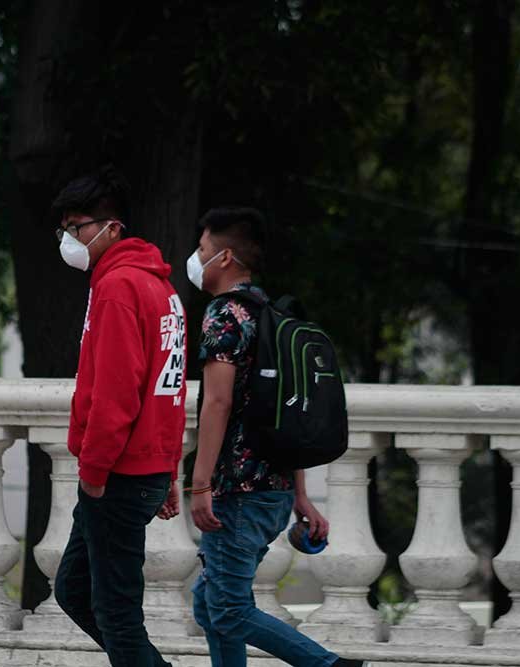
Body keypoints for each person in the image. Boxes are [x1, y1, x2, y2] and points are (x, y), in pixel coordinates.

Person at [187, 207, 370, 667]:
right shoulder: (270, 314)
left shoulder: (225, 315)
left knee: (227, 609)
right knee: (208, 605)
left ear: (225, 257)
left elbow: (217, 403)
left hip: (237, 492)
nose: (197, 258)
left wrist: (200, 483)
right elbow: (288, 410)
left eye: (203, 250)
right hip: (271, 490)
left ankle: (329, 666)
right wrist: (299, 495)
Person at [51, 166, 187, 667]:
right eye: (63, 228)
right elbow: (169, 388)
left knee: (117, 614)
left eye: (76, 227)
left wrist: (93, 473)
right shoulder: (160, 289)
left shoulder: (119, 288)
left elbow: (117, 394)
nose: (68, 239)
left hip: (117, 474)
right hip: (141, 468)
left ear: (111, 227)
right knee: (74, 590)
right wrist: (167, 469)